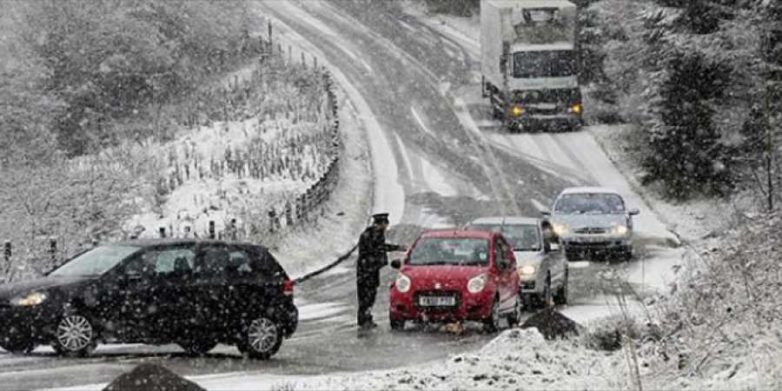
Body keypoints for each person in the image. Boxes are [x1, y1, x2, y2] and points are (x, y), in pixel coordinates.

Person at [356, 212, 405, 329]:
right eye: (385, 224)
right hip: (367, 270)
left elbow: (379, 247)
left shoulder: (375, 234)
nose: (386, 227)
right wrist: (396, 248)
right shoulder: (372, 235)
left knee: (370, 295)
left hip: (370, 269)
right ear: (381, 223)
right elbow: (378, 248)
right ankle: (364, 319)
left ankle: (366, 318)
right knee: (367, 295)